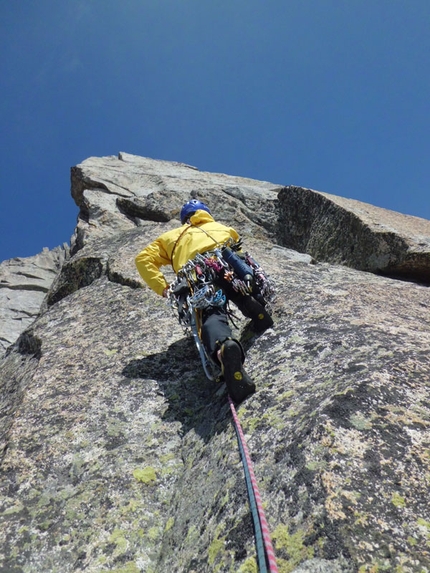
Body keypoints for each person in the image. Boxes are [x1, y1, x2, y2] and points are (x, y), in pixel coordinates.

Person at [135, 199, 273, 402]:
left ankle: (223, 348)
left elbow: (143, 259)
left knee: (211, 310)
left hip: (197, 272)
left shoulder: (171, 236)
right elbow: (238, 246)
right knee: (237, 286)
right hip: (228, 262)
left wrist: (164, 288)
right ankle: (254, 305)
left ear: (185, 219)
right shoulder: (223, 227)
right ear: (206, 213)